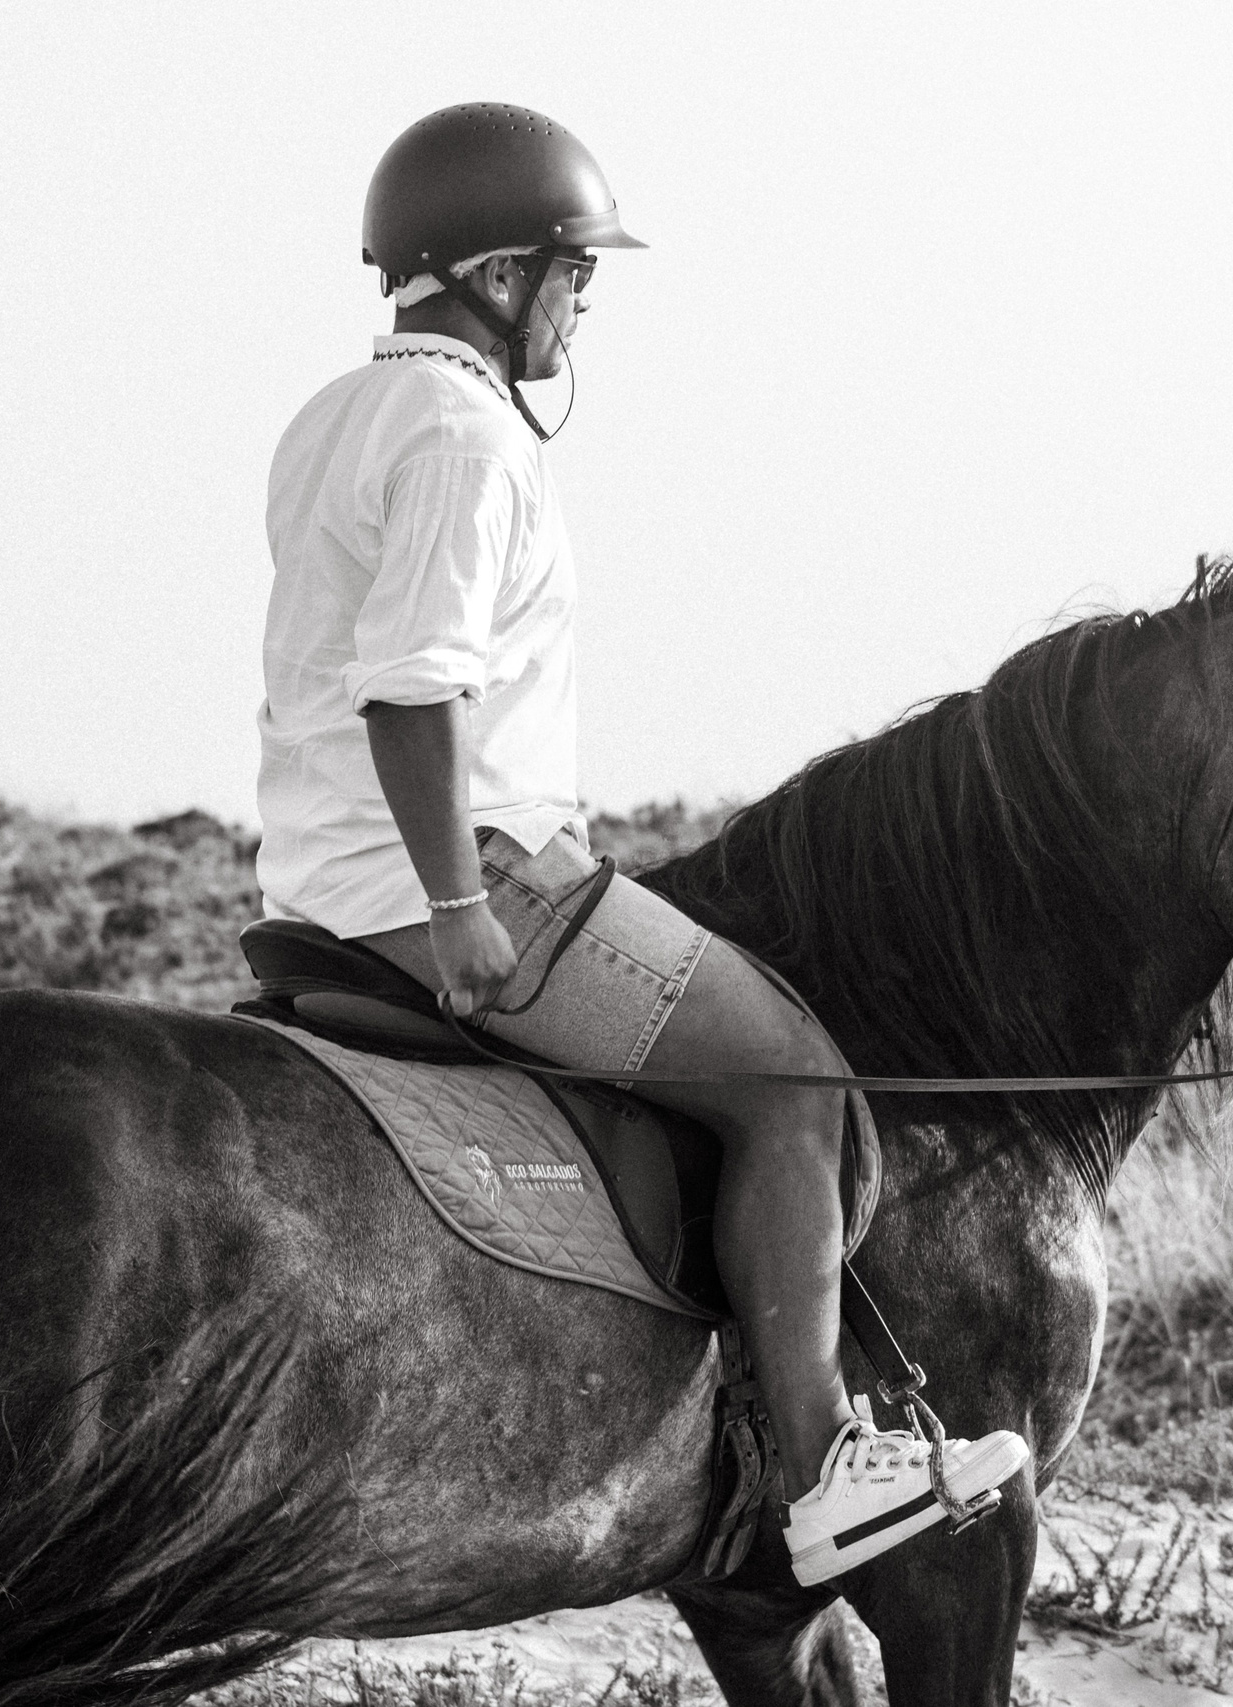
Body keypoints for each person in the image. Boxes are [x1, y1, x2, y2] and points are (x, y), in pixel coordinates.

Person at [253, 101, 1029, 1587]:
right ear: (492, 273)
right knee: (797, 1083)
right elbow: (415, 687)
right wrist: (463, 903)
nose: (582, 301)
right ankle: (825, 1475)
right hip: (476, 882)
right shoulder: (466, 433)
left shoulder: (327, 421)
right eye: (571, 272)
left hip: (312, 887)